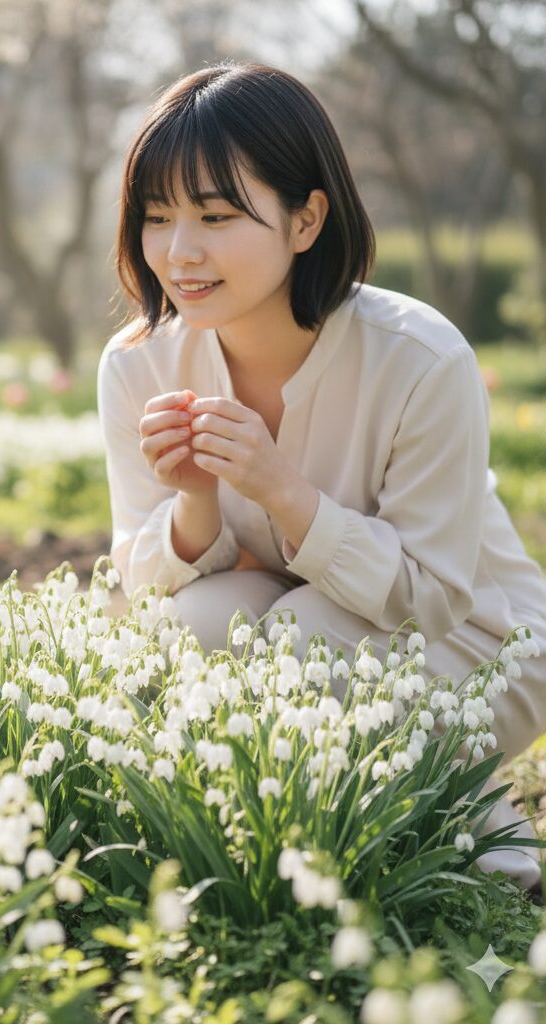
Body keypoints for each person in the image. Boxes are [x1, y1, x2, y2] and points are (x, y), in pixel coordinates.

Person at [97, 61, 546, 888]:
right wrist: (196, 497)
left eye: (216, 216)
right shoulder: (138, 367)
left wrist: (284, 492)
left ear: (306, 220)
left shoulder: (419, 358)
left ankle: (478, 836)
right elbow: (145, 581)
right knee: (191, 634)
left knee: (295, 640)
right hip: (303, 628)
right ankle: (302, 852)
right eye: (157, 217)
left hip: (479, 642)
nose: (179, 251)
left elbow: (437, 596)